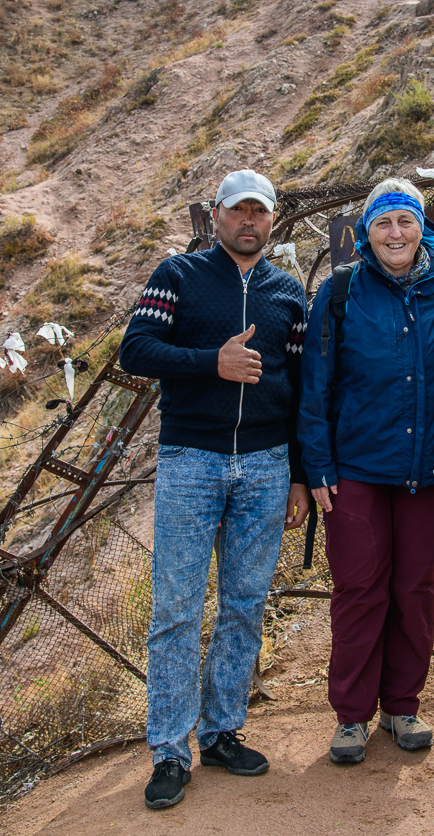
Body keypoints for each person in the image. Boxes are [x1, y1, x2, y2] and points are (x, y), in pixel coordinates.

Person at [119, 169, 311, 811]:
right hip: (191, 460)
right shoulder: (177, 275)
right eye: (238, 210)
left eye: (260, 211)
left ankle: (222, 731)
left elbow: (300, 387)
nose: (248, 221)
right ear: (218, 216)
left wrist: (300, 474)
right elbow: (135, 350)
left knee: (244, 605)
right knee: (176, 609)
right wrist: (212, 362)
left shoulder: (288, 291)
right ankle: (169, 751)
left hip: (267, 464)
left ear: (272, 219)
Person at [297, 179, 434, 765]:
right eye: (383, 223)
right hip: (356, 470)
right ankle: (351, 715)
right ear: (366, 233)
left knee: (414, 590)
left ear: (422, 228)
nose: (395, 233)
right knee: (360, 589)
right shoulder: (341, 290)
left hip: (432, 468)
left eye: (405, 221)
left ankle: (401, 705)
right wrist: (316, 464)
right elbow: (315, 383)